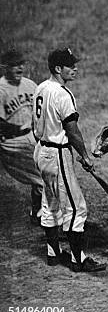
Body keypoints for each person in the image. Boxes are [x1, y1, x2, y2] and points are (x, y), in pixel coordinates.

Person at [32, 48, 105, 271]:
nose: (75, 68)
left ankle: (53, 253)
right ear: (57, 68)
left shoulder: (40, 88)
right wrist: (84, 156)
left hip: (41, 151)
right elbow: (72, 131)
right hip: (57, 153)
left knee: (50, 202)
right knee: (76, 207)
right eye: (70, 65)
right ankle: (78, 260)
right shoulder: (62, 94)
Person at [0, 49, 44, 225]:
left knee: (43, 173)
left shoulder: (30, 85)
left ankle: (37, 210)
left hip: (31, 139)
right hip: (12, 144)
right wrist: (19, 128)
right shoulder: (1, 89)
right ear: (5, 67)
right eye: (14, 65)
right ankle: (44, 216)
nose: (19, 68)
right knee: (44, 176)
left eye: (21, 64)